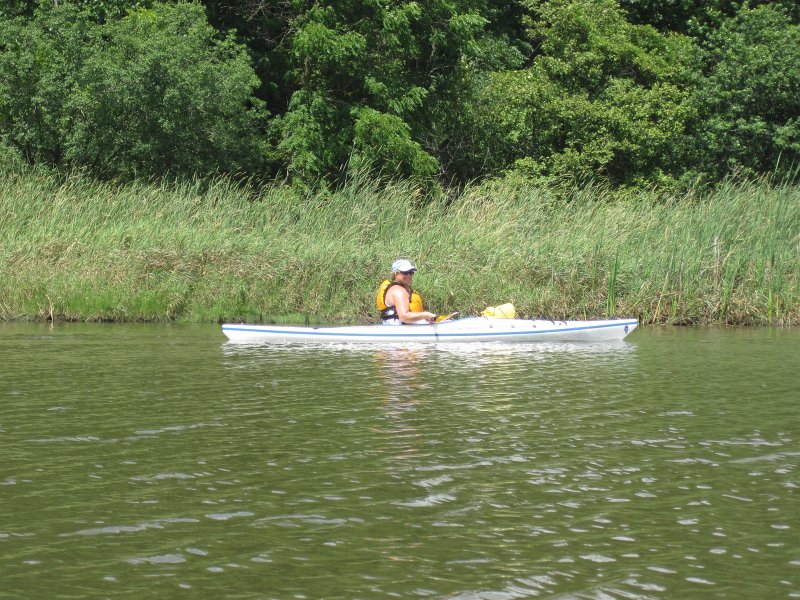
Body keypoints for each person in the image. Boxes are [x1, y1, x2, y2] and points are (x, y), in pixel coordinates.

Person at [376, 259, 438, 324]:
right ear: (395, 274)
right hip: (399, 330)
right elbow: (404, 317)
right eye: (405, 272)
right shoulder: (398, 290)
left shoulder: (400, 289)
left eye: (411, 272)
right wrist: (426, 315)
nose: (409, 275)